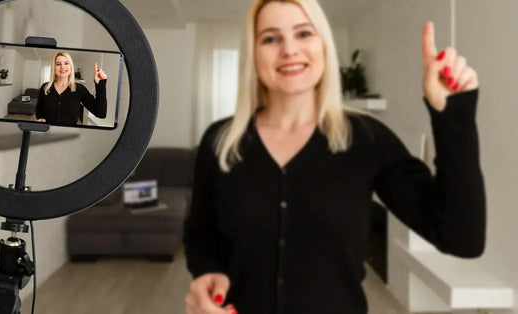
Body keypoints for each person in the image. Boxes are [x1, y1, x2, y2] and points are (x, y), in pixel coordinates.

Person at [183, 0, 484, 313]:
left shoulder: (367, 139)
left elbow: (461, 237)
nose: (289, 50)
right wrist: (206, 273)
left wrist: (454, 116)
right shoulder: (220, 141)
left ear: (323, 45)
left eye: (303, 34)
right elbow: (199, 234)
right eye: (270, 38)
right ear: (253, 54)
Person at [35, 51, 108, 126]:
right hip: (47, 134)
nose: (63, 67)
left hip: (70, 135)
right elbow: (39, 110)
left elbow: (101, 113)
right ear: (54, 67)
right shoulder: (45, 88)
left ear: (71, 66)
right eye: (58, 64)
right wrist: (40, 118)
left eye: (66, 63)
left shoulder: (79, 89)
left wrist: (100, 85)